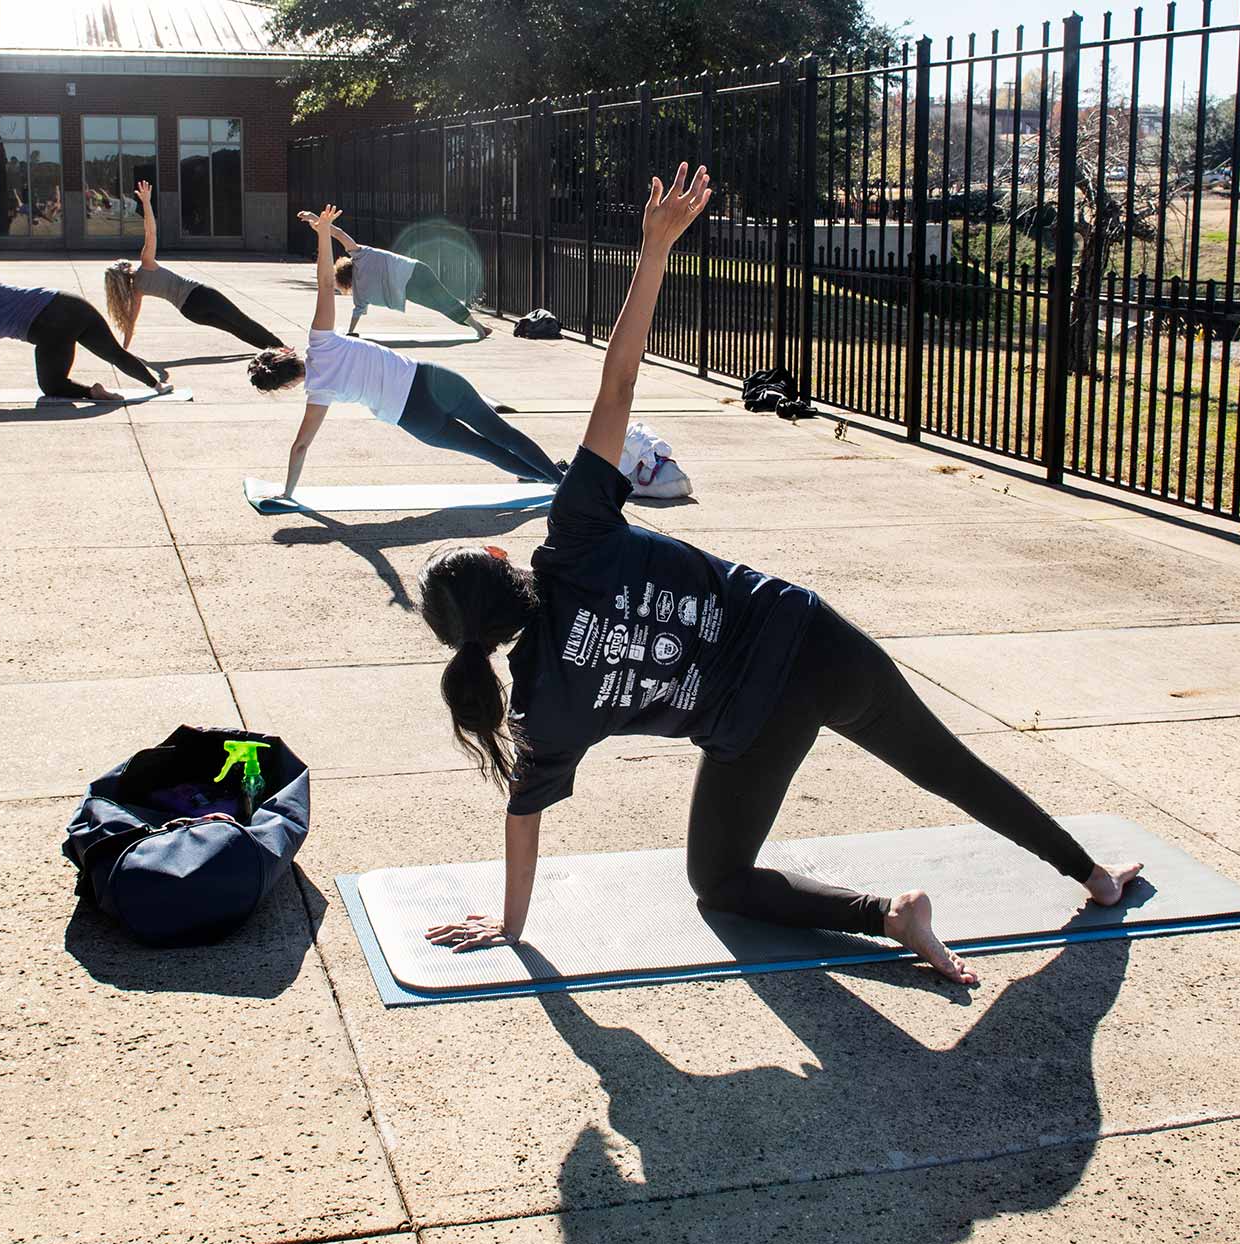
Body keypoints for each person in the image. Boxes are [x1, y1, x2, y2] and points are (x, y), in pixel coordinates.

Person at [413, 164, 1145, 987]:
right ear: (503, 559)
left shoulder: (542, 704)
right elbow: (618, 382)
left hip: (754, 724)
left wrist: (511, 926)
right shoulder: (573, 535)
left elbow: (525, 812)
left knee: (719, 885)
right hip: (812, 637)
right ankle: (1092, 877)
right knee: (947, 765)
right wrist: (655, 249)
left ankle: (888, 916)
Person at [248, 204, 558, 497]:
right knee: (502, 433)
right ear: (286, 350)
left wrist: (287, 493)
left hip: (413, 415)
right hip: (432, 380)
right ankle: (562, 482)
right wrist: (323, 232)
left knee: (487, 450)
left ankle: (548, 479)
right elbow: (326, 281)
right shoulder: (320, 340)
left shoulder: (318, 392)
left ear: (286, 385)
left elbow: (300, 446)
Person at [0, 201, 169, 404]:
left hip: (49, 330)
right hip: (70, 304)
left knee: (51, 385)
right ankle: (157, 385)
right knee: (114, 353)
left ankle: (93, 392)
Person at [101, 181, 285, 352]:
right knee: (240, 320)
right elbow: (151, 232)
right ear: (126, 268)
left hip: (190, 312)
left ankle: (273, 351)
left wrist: (123, 350)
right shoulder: (146, 263)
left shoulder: (136, 291)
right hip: (200, 295)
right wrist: (147, 203)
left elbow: (131, 321)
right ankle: (281, 348)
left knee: (232, 327)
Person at [301, 213, 492, 340]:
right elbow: (339, 234)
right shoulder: (360, 254)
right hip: (416, 271)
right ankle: (477, 327)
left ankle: (478, 328)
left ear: (346, 282)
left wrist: (351, 332)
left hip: (408, 289)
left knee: (440, 305)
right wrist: (319, 221)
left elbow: (357, 311)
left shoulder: (360, 291)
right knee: (445, 301)